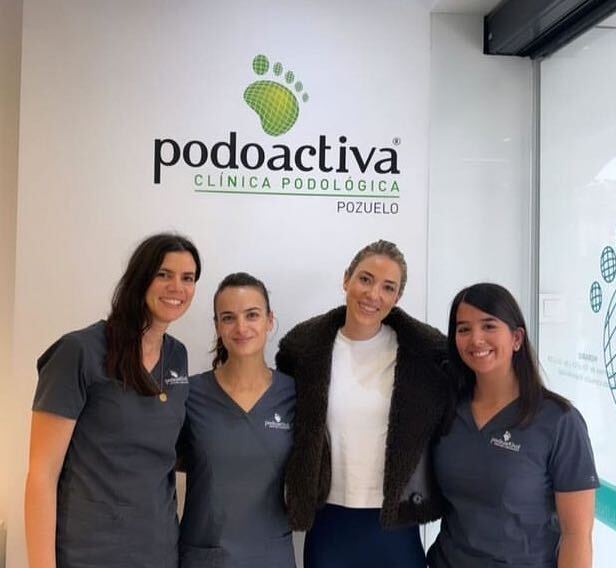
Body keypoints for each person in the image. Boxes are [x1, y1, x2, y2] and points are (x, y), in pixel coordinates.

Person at [25, 233, 201, 568]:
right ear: (140, 276)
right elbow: (42, 474)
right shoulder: (79, 352)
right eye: (163, 274)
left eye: (188, 278)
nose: (177, 287)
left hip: (158, 551)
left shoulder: (177, 356)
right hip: (88, 553)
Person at [276, 240, 449, 568]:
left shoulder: (426, 357)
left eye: (388, 287)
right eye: (365, 279)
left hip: (395, 526)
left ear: (397, 298)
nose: (373, 294)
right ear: (347, 279)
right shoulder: (302, 352)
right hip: (330, 522)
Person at [427, 283, 598, 568]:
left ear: (517, 338)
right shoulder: (447, 410)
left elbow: (576, 536)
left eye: (488, 326)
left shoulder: (559, 421)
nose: (475, 339)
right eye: (464, 329)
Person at [179, 272, 296, 568]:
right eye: (228, 318)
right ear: (217, 326)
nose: (241, 327)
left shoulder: (294, 395)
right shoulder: (189, 394)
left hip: (272, 556)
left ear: (269, 320)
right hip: (206, 557)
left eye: (252, 315)